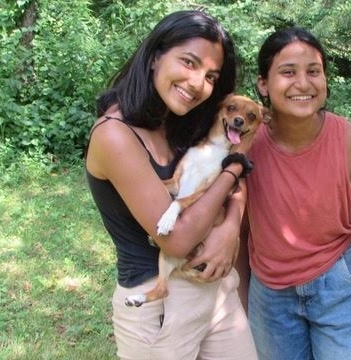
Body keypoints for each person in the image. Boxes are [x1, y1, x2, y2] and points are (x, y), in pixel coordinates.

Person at [85, 10, 257, 360]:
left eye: (210, 76)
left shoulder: (179, 120)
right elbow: (176, 239)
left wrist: (230, 227)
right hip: (158, 303)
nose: (198, 83)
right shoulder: (115, 135)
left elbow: (225, 185)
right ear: (155, 57)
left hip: (215, 291)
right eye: (188, 62)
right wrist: (236, 165)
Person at [242, 27, 351, 360]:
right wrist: (242, 303)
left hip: (339, 286)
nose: (303, 83)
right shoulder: (246, 145)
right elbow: (240, 233)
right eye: (288, 72)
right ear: (263, 84)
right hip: (269, 295)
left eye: (313, 71)